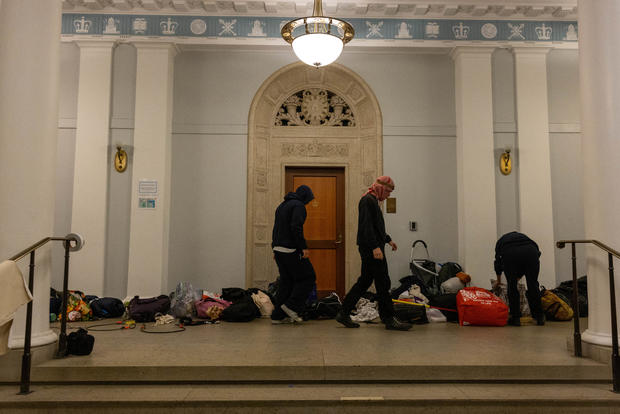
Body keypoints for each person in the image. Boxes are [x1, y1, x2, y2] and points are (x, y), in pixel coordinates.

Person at [336, 176, 412, 331]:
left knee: (364, 281)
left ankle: (343, 313)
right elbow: (366, 227)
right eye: (389, 192)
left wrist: (388, 240)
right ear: (382, 188)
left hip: (372, 247)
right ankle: (389, 319)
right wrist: (375, 247)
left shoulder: (373, 200)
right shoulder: (367, 201)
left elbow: (377, 226)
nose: (389, 195)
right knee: (383, 282)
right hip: (371, 249)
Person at [270, 185, 317, 324]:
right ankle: (291, 307)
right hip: (290, 249)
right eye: (308, 199)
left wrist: (274, 248)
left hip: (279, 249)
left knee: (286, 281)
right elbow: (296, 227)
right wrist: (303, 247)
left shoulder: (282, 205)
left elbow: (276, 228)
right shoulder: (298, 206)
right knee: (308, 277)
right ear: (305, 197)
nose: (308, 202)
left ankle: (277, 316)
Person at [493, 231, 545, 326]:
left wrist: (499, 281)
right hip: (532, 251)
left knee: (512, 286)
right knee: (533, 284)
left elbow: (497, 263)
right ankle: (539, 317)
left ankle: (516, 318)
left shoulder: (500, 243)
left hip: (510, 253)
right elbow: (534, 256)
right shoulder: (525, 238)